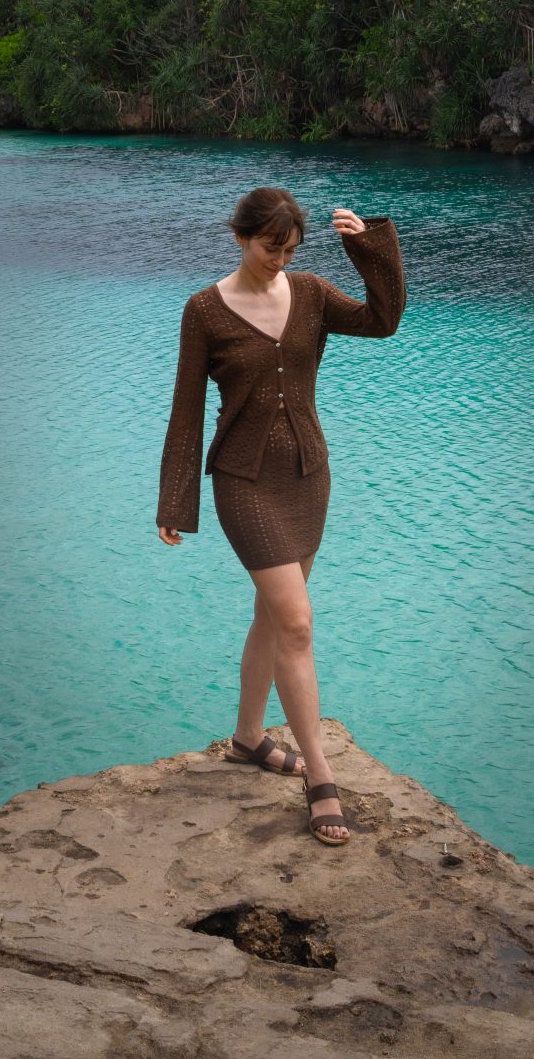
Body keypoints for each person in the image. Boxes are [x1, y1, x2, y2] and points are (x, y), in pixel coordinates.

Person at [156, 185, 406, 846]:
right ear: (241, 238)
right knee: (297, 621)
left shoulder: (314, 295)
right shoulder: (205, 311)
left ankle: (248, 738)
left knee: (273, 615)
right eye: (271, 248)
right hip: (243, 484)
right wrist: (175, 500)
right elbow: (185, 408)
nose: (280, 260)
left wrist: (368, 247)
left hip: (307, 478)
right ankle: (320, 779)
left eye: (291, 250)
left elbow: (384, 320)